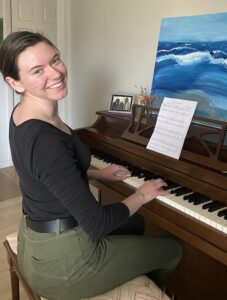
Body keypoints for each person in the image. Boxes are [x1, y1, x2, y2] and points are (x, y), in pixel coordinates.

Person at [0, 31, 182, 300]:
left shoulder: (25, 113)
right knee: (171, 250)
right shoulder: (44, 139)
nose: (55, 73)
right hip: (63, 266)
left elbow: (49, 175)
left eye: (55, 60)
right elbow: (97, 224)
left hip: (40, 238)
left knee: (137, 224)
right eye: (37, 70)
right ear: (15, 83)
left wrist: (98, 173)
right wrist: (142, 194)